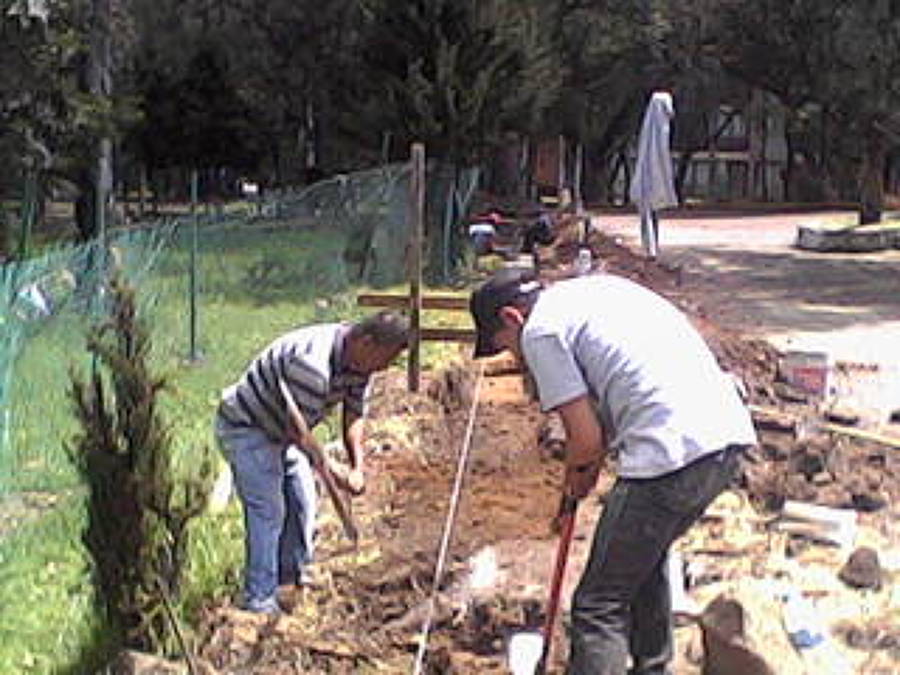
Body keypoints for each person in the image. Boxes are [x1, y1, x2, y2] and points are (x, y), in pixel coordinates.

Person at [469, 269, 756, 674]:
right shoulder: (586, 293)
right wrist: (579, 478)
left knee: (597, 604)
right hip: (722, 440)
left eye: (506, 348)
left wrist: (574, 482)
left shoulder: (540, 332)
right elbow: (594, 440)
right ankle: (652, 668)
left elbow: (585, 441)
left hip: (670, 454)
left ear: (513, 318)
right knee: (640, 565)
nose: (516, 360)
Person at [214, 310, 409, 614]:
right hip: (248, 428)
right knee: (269, 510)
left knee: (304, 502)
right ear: (366, 342)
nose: (382, 369)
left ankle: (292, 579)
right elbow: (301, 435)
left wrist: (357, 465)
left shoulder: (359, 361)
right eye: (382, 360)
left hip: (283, 430)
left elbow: (354, 413)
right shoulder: (312, 365)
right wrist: (335, 473)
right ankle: (259, 599)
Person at [629, 91, 678, 260]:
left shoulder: (658, 128)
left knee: (652, 213)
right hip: (651, 180)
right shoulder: (656, 128)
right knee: (649, 213)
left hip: (654, 179)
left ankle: (652, 247)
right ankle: (651, 248)